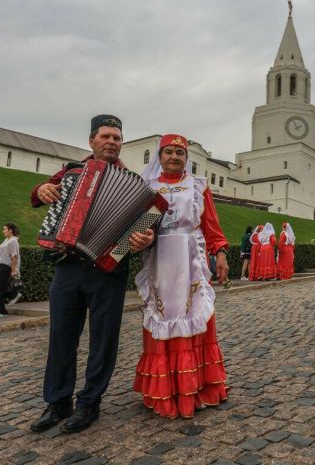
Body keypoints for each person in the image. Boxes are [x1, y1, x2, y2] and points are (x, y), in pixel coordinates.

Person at [29, 114, 155, 434]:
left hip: (108, 272)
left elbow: (150, 225)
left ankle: (89, 403)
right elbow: (40, 193)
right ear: (92, 141)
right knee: (61, 338)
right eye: (105, 137)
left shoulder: (136, 185)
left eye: (117, 137)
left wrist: (142, 239)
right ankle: (58, 402)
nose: (112, 142)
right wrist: (43, 189)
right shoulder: (71, 172)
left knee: (103, 341)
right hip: (67, 266)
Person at [133, 133, 229, 418]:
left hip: (191, 259)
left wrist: (220, 252)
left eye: (180, 153)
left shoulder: (198, 187)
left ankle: (197, 386)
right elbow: (137, 226)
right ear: (159, 157)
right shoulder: (146, 188)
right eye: (169, 152)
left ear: (186, 158)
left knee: (195, 314)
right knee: (162, 316)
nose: (174, 157)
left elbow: (211, 223)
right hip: (160, 258)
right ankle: (166, 389)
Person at [0, 222, 21, 317]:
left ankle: (2, 311)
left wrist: (14, 270)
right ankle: (13, 294)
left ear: (10, 230)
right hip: (0, 265)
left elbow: (14, 256)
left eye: (4, 229)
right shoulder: (7, 239)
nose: (3, 231)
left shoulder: (13, 241)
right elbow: (5, 252)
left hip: (7, 267)